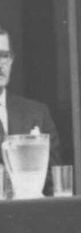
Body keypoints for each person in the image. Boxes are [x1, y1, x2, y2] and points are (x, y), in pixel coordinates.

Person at [0, 26, 62, 164]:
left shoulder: (37, 114)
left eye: (4, 56)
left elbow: (52, 178)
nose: (0, 65)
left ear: (11, 59)